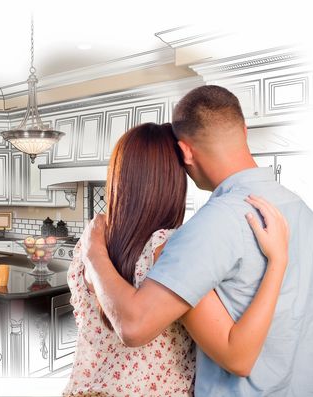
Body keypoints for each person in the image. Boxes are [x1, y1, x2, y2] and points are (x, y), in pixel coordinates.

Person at [80, 86, 313, 396]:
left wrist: (93, 251)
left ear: (185, 152)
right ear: (243, 129)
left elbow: (133, 326)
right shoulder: (303, 212)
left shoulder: (212, 225)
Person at [63, 122, 290, 396]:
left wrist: (93, 252)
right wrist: (278, 261)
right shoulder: (168, 250)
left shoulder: (89, 243)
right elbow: (237, 356)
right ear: (173, 181)